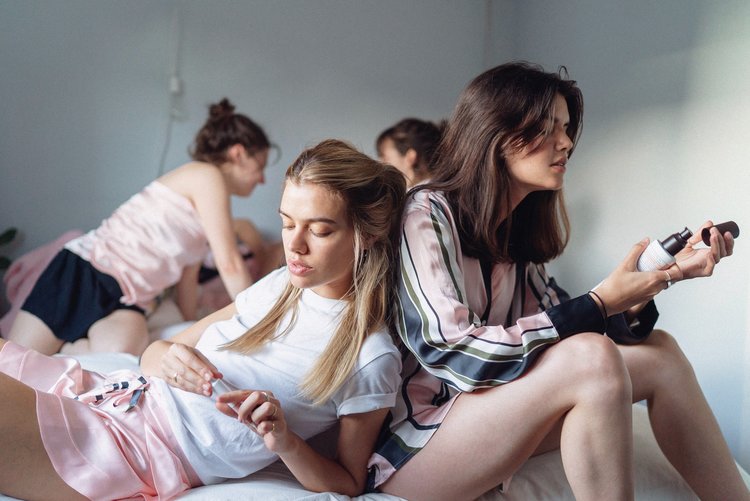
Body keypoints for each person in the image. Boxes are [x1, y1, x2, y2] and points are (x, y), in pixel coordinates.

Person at [367, 62, 749, 501]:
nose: (566, 143)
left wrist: (663, 276)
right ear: (494, 134)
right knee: (591, 356)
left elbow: (567, 323)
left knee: (661, 353)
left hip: (486, 417)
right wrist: (599, 302)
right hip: (418, 444)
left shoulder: (513, 230)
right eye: (548, 128)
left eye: (566, 129)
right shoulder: (425, 213)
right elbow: (453, 352)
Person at [0, 139, 406, 501]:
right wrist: (169, 358)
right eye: (287, 223)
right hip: (117, 393)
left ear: (366, 234)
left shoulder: (370, 357)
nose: (294, 245)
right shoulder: (279, 285)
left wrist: (285, 442)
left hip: (133, 447)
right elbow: (153, 355)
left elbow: (348, 481)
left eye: (319, 230)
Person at [7, 98, 270, 356]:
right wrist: (258, 320)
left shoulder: (207, 211)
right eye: (260, 167)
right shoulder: (205, 175)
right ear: (238, 153)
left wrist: (190, 328)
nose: (262, 179)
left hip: (129, 300)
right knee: (16, 361)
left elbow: (187, 280)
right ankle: (57, 347)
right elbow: (229, 263)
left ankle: (66, 349)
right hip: (89, 271)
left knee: (122, 352)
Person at [375, 117, 445, 188]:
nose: (380, 164)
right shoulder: (442, 189)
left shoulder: (419, 194)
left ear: (410, 157)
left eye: (385, 158)